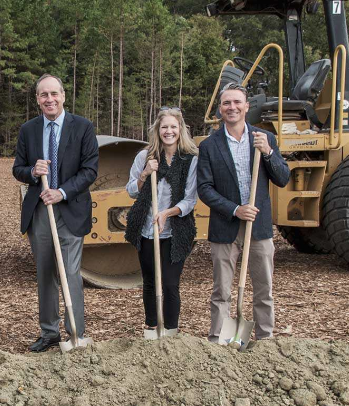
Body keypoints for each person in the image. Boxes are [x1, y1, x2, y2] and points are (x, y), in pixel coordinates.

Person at [197, 82, 290, 344]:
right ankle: (218, 341)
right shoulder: (209, 146)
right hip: (225, 228)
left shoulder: (264, 139)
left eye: (237, 102)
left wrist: (269, 153)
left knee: (264, 289)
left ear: (247, 106)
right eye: (227, 103)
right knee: (221, 291)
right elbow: (204, 189)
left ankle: (265, 339)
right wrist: (236, 210)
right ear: (220, 109)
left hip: (258, 228)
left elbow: (283, 178)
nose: (232, 107)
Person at [12, 74, 99, 352]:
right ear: (37, 99)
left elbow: (90, 171)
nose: (49, 99)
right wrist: (32, 171)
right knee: (45, 272)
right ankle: (49, 332)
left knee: (70, 272)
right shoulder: (28, 129)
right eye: (43, 95)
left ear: (63, 96)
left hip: (70, 209)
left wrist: (61, 192)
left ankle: (75, 332)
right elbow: (17, 169)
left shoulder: (83, 127)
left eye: (54, 94)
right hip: (40, 211)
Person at [124, 107, 198, 332]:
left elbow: (190, 199)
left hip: (175, 232)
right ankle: (152, 326)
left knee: (170, 284)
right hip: (146, 230)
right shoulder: (144, 156)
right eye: (164, 127)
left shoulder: (189, 160)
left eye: (173, 127)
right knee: (149, 283)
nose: (169, 131)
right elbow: (131, 191)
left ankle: (171, 331)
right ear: (157, 130)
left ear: (180, 130)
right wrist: (145, 174)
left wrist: (167, 213)